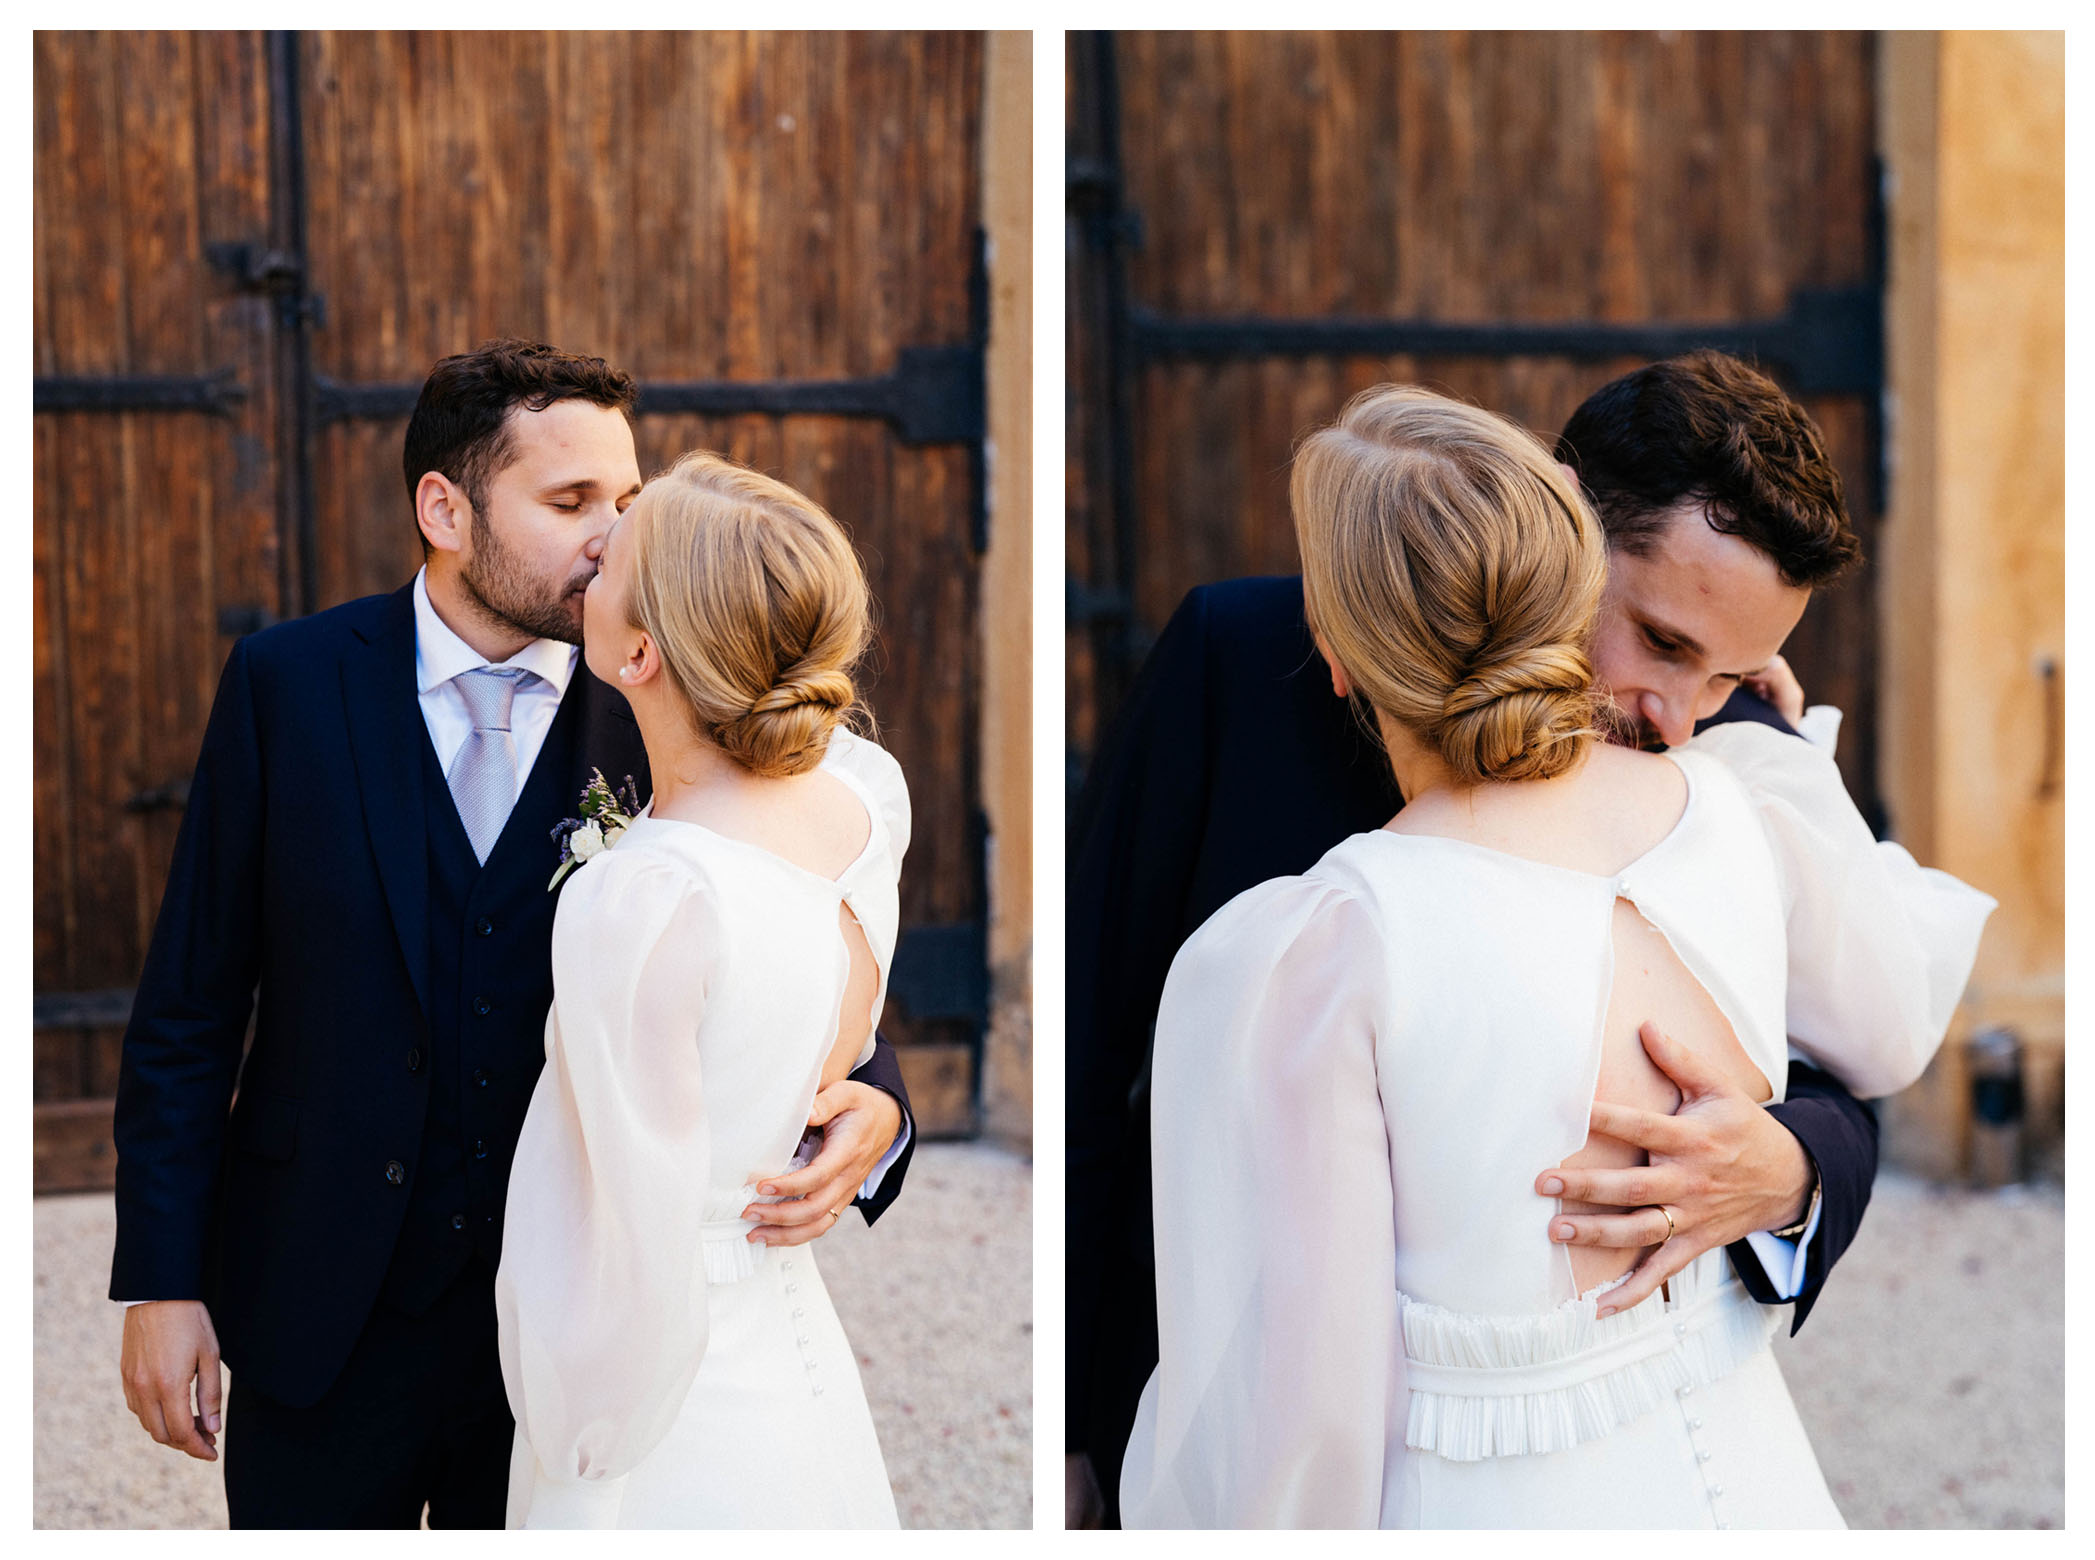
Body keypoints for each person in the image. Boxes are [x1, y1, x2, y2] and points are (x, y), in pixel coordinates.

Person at [1117, 385, 1993, 1526]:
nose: (1682, 716)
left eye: (1727, 679)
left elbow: (1301, 1422)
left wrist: (1790, 1168)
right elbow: (1101, 1047)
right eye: (1666, 643)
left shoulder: (1738, 778)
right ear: (1569, 535)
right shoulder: (1721, 816)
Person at [110, 340, 914, 1528]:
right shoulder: (288, 683)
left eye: (626, 501)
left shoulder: (663, 692)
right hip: (325, 1308)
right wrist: (163, 1281)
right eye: (569, 500)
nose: (609, 535)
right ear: (444, 508)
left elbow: (780, 917)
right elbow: (191, 1002)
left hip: (566, 1337)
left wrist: (879, 1100)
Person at [496, 451, 906, 1527]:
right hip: (792, 1347)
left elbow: (613, 1218)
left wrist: (574, 1447)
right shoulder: (866, 798)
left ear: (637, 653)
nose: (591, 554)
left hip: (660, 1404)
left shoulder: (643, 893)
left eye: (612, 557)